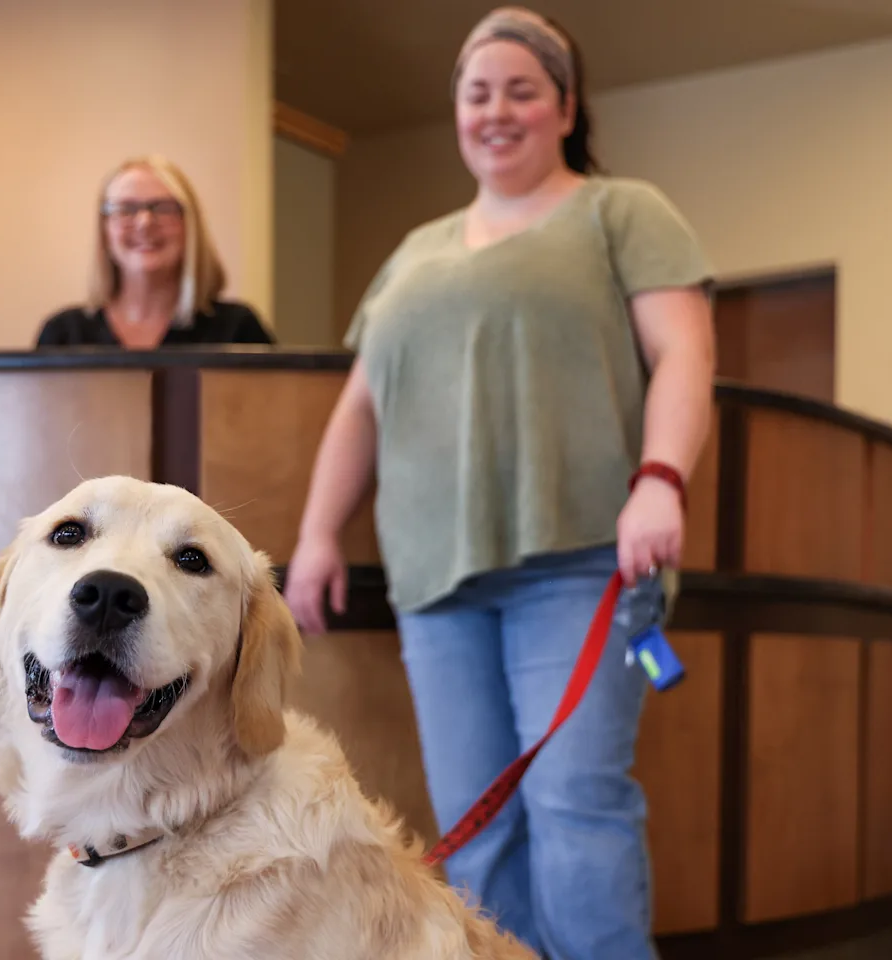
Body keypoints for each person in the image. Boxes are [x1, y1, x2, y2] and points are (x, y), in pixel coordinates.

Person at [281, 7, 715, 959]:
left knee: (575, 806)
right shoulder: (414, 251)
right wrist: (318, 534)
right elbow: (361, 407)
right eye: (478, 93)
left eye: (523, 89)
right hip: (437, 580)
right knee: (479, 825)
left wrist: (660, 478)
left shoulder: (621, 210)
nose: (497, 110)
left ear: (565, 106)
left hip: (582, 556)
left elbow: (685, 353)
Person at [36, 155, 274, 349]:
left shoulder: (238, 330)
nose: (145, 222)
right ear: (104, 230)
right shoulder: (63, 335)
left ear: (190, 228)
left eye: (164, 208)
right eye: (126, 209)